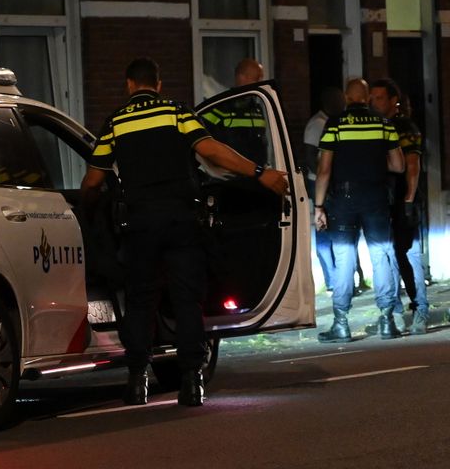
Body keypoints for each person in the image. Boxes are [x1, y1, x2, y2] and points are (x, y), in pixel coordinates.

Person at [81, 57, 288, 406]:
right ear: (158, 84)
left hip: (140, 225)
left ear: (129, 85)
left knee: (140, 302)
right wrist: (260, 172)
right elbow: (211, 151)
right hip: (181, 221)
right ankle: (192, 382)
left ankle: (136, 382)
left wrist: (86, 210)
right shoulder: (176, 113)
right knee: (187, 301)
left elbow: (93, 180)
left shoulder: (115, 122)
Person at [314, 78, 405, 343]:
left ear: (346, 97)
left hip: (343, 197)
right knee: (381, 255)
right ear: (366, 97)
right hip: (376, 195)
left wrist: (318, 206)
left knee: (344, 257)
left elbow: (324, 171)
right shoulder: (383, 124)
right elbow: (398, 166)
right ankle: (387, 321)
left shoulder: (335, 124)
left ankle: (341, 324)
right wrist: (373, 165)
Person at [370, 78, 429, 334]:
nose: (374, 102)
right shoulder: (378, 126)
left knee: (410, 255)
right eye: (371, 97)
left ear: (394, 100)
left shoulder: (405, 127)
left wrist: (408, 201)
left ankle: (420, 310)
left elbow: (412, 165)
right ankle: (395, 312)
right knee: (391, 256)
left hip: (404, 200)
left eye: (379, 97)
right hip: (386, 201)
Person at [303, 87, 345, 293]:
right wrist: (323, 182)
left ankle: (339, 278)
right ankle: (332, 280)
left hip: (325, 182)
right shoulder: (317, 125)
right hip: (318, 183)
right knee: (324, 232)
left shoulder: (330, 123)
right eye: (340, 101)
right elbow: (310, 157)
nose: (343, 106)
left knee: (331, 231)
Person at [201, 58, 267, 164]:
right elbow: (206, 142)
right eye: (256, 79)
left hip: (257, 174)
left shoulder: (256, 108)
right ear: (242, 78)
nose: (259, 84)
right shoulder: (221, 107)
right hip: (232, 175)